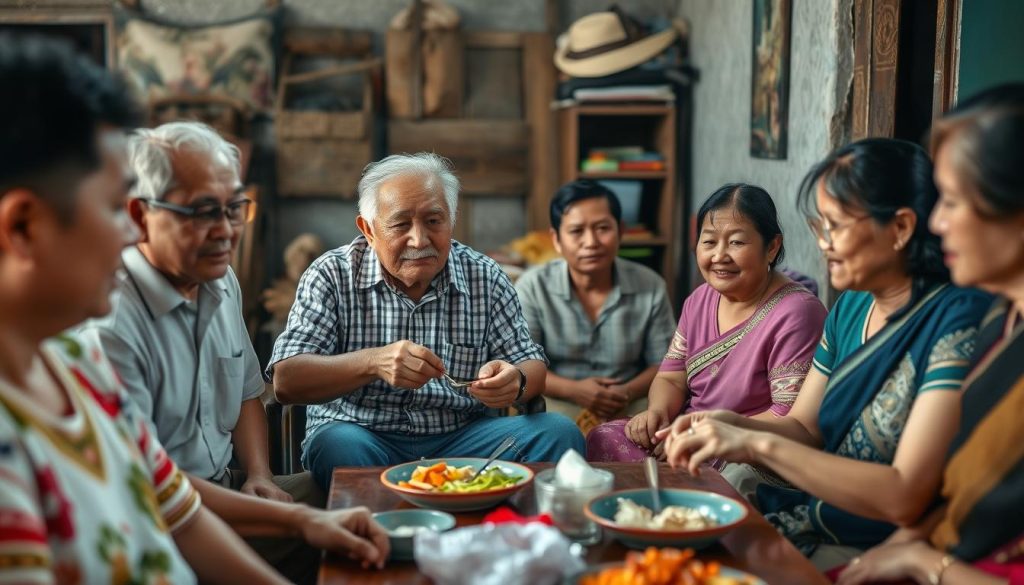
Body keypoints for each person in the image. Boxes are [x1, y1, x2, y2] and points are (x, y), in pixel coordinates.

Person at [0, 34, 387, 584]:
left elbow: (175, 502)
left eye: (234, 209)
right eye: (114, 209)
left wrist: (300, 518)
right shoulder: (40, 417)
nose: (126, 235)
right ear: (24, 227)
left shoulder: (74, 369)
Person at [658, 139, 992, 571]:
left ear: (901, 228)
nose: (823, 245)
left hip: (885, 535)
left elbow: (904, 493)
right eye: (820, 229)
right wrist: (726, 423)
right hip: (825, 509)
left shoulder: (957, 319)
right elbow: (803, 426)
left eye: (835, 226)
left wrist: (753, 441)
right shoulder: (851, 307)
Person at [80, 121, 328, 583]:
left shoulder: (219, 279)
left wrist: (260, 476)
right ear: (139, 216)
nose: (226, 230)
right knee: (317, 528)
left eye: (236, 208)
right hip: (156, 516)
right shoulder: (110, 319)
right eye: (203, 211)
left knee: (331, 492)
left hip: (222, 486)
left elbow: (247, 393)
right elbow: (152, 488)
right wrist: (295, 521)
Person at [268, 153, 585, 490]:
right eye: (401, 224)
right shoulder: (331, 275)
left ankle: (503, 535)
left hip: (463, 442)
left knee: (558, 433)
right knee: (337, 445)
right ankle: (389, 538)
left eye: (434, 221)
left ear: (452, 220)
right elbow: (286, 381)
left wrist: (516, 380)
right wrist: (373, 362)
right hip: (364, 437)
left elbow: (530, 364)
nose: (419, 240)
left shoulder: (485, 276)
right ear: (369, 229)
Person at [837, 85, 1024, 585]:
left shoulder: (961, 314)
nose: (936, 224)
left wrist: (923, 564)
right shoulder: (1001, 321)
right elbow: (953, 504)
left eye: (954, 202)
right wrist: (897, 551)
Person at [586, 184, 826, 462]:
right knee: (603, 437)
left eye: (736, 242)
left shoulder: (797, 312)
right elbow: (670, 378)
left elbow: (789, 419)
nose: (719, 256)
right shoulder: (700, 299)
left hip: (749, 448)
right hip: (688, 431)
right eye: (709, 242)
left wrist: (705, 435)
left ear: (772, 247)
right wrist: (657, 415)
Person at [515, 180, 676, 432]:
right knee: (551, 432)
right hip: (558, 400)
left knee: (659, 425)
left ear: (621, 231)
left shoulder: (650, 285)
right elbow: (521, 365)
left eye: (602, 228)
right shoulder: (533, 287)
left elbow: (666, 363)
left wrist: (626, 391)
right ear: (556, 239)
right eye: (577, 231)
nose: (591, 242)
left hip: (630, 400)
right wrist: (575, 391)